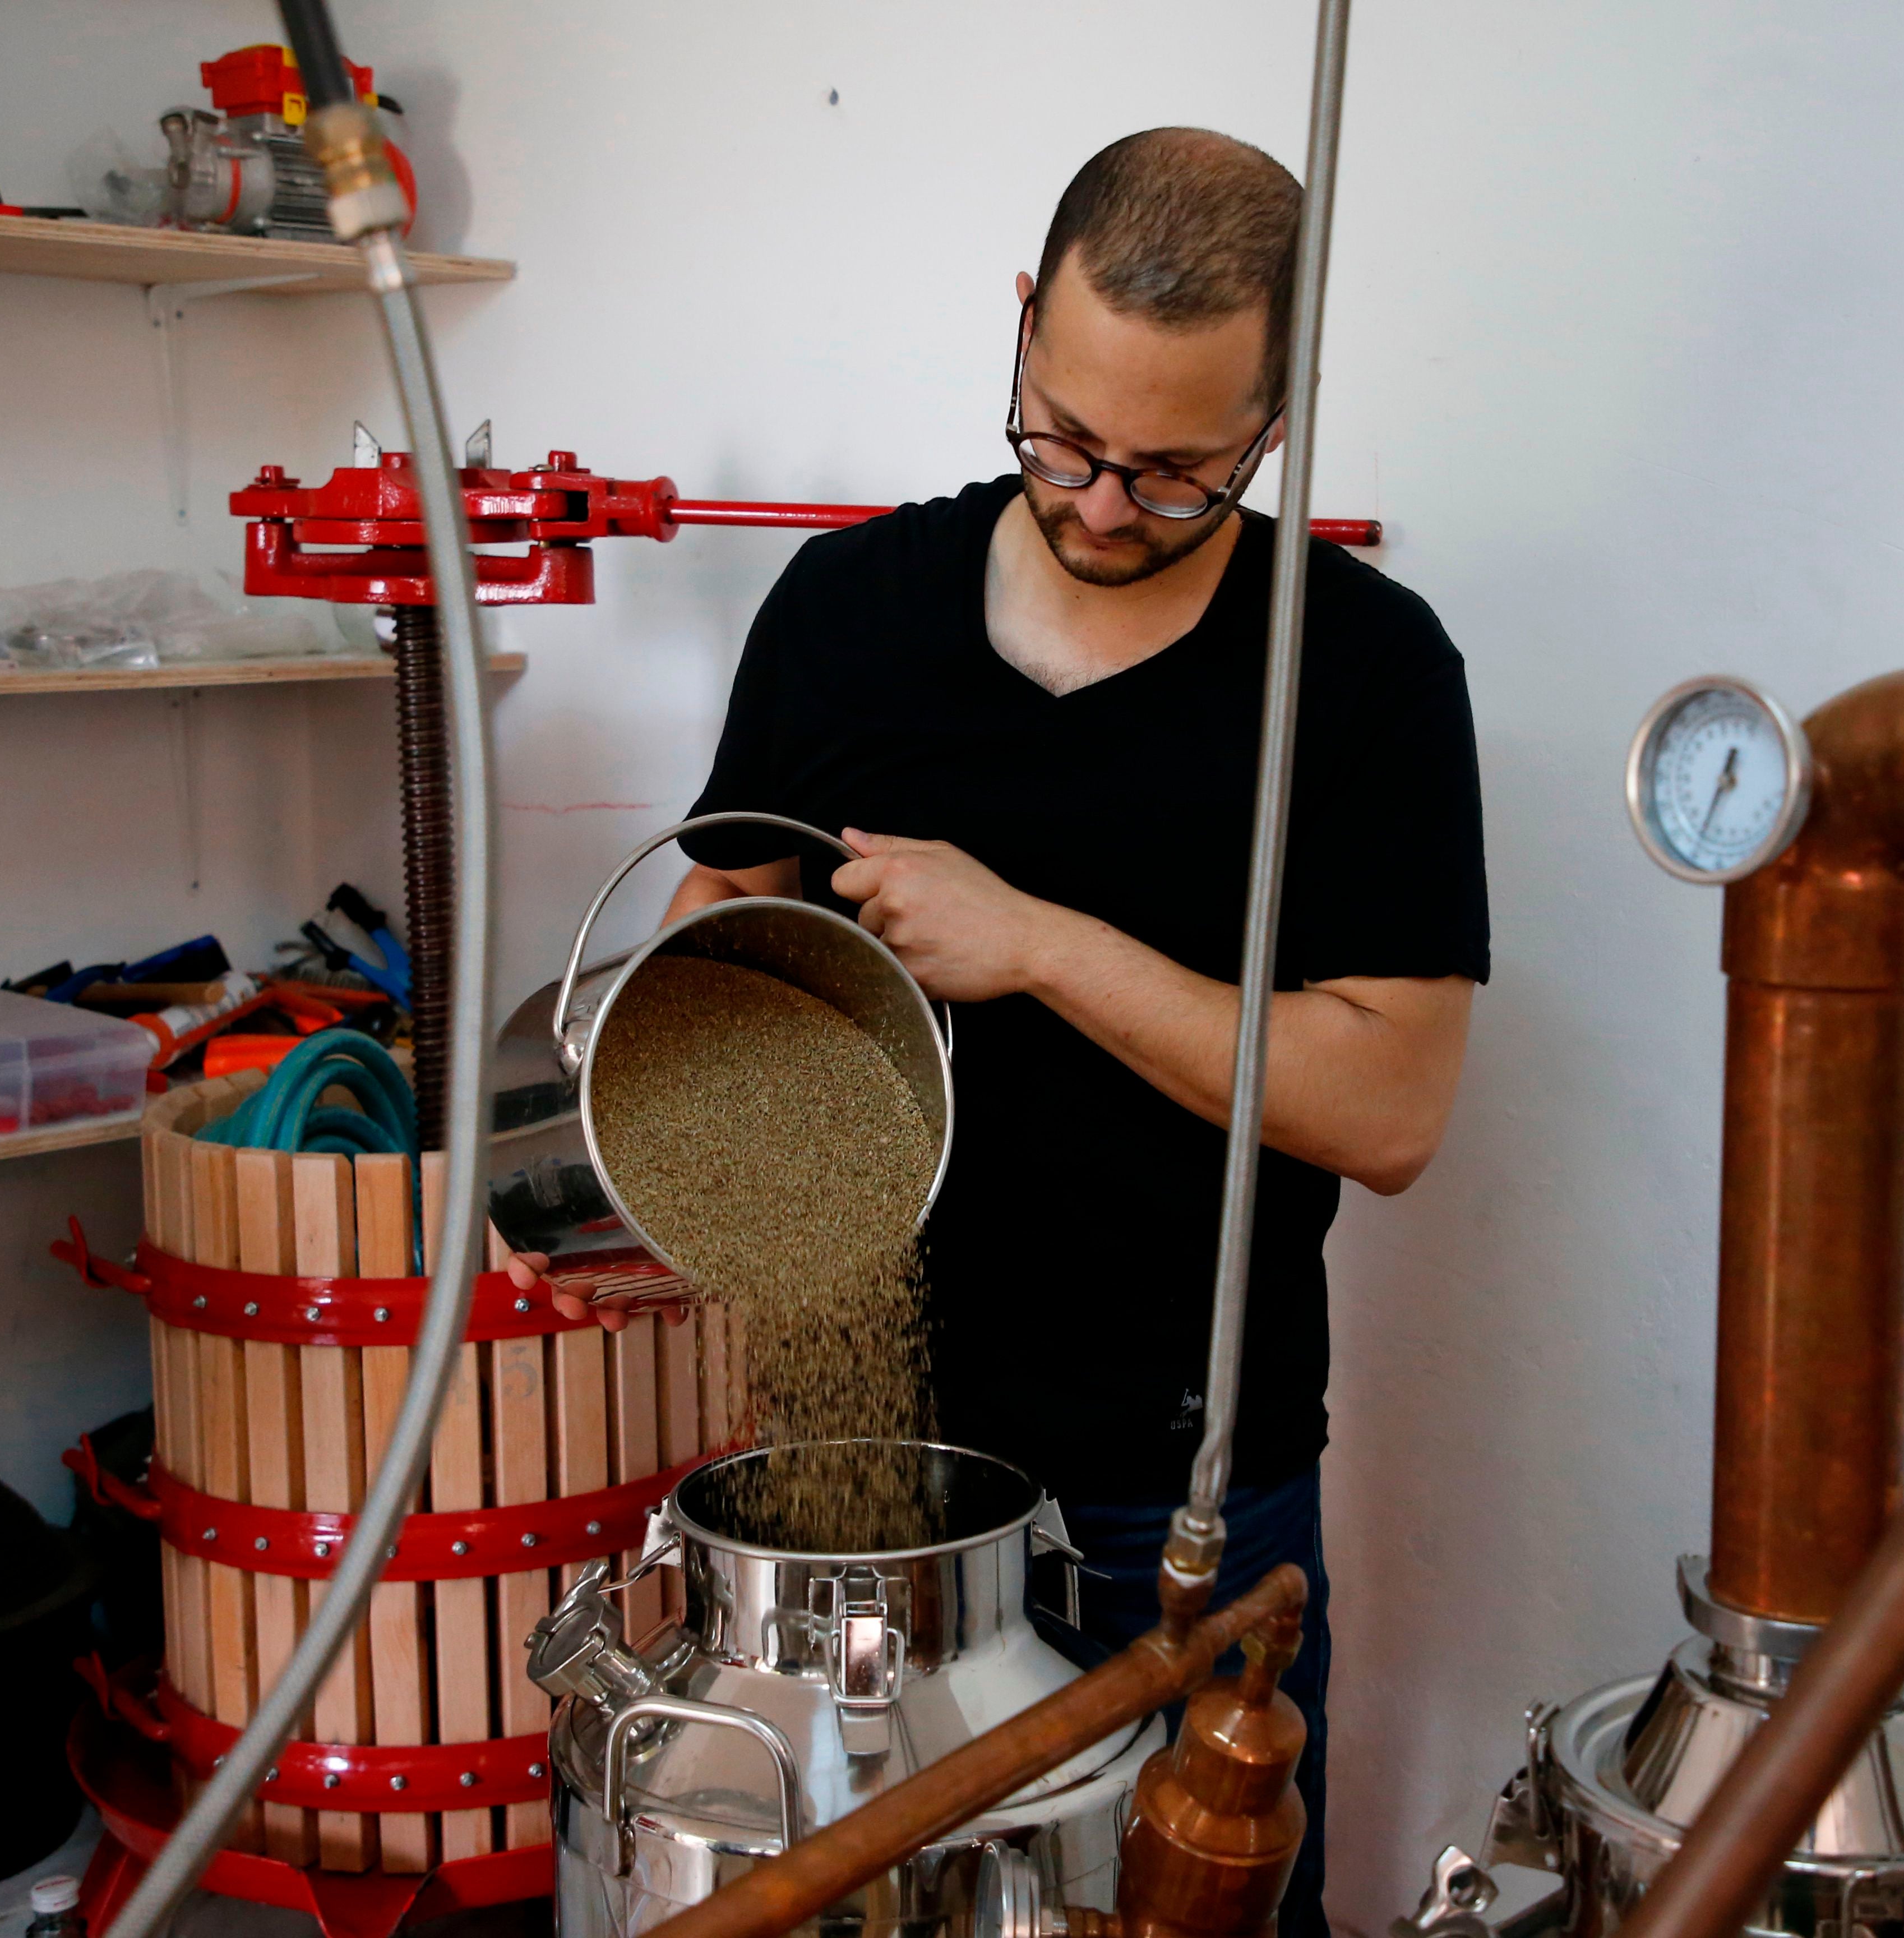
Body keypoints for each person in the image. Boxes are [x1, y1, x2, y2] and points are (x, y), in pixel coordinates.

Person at [512, 127, 1488, 1938]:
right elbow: (709, 934)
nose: (1106, 503)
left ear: (1281, 416)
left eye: (1179, 473)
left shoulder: (1359, 674)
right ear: (1025, 321)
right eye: (1063, 437)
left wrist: (1034, 942)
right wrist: (655, 1151)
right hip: (849, 1495)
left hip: (1172, 1500)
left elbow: (1393, 1100)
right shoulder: (847, 615)